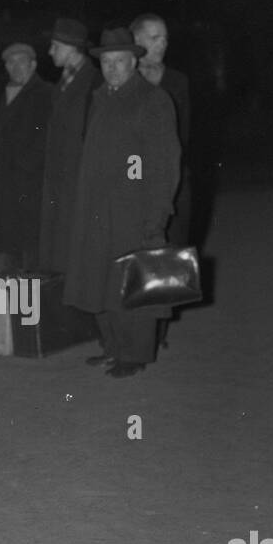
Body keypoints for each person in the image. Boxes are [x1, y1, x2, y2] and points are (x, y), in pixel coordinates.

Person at [64, 28, 181, 378]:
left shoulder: (153, 100)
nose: (113, 68)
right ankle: (113, 348)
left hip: (134, 210)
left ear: (134, 61)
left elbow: (164, 164)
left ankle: (135, 354)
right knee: (101, 282)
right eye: (107, 62)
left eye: (120, 62)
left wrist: (157, 215)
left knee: (136, 283)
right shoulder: (100, 97)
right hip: (98, 210)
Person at [38, 17, 101, 277]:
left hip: (77, 184)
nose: (51, 51)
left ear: (72, 47)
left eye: (56, 45)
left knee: (72, 256)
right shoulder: (64, 81)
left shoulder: (93, 82)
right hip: (58, 183)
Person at [0, 42, 53, 273]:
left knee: (29, 254)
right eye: (10, 62)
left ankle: (28, 305)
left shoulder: (45, 94)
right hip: (9, 188)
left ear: (33, 64)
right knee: (12, 254)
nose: (15, 67)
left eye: (21, 61)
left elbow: (45, 142)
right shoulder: (7, 91)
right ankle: (16, 303)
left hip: (30, 189)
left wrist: (24, 167)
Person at [131, 13, 192, 245]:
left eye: (165, 39)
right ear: (136, 40)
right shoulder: (124, 81)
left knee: (173, 261)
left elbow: (182, 136)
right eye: (155, 38)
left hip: (171, 184)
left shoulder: (178, 81)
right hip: (134, 185)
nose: (162, 45)